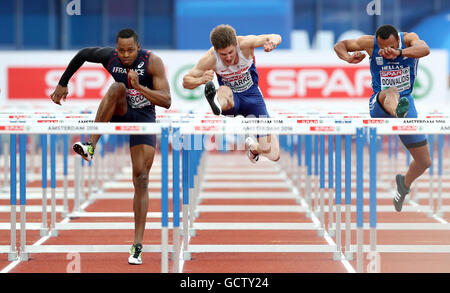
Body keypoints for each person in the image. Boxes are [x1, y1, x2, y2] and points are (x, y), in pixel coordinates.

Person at [50, 28, 172, 264]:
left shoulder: (152, 61)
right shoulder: (111, 58)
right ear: (116, 49)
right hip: (121, 110)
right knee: (117, 87)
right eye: (121, 50)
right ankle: (90, 147)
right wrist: (63, 83)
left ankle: (137, 245)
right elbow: (83, 54)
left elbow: (166, 100)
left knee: (142, 178)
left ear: (138, 47)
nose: (125, 55)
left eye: (130, 50)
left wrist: (139, 88)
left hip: (144, 116)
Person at [334, 24, 432, 212]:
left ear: (397, 40)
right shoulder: (370, 43)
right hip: (380, 101)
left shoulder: (410, 39)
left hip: (406, 101)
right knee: (392, 92)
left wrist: (400, 52)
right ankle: (398, 112)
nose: (385, 50)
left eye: (390, 46)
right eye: (381, 46)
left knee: (424, 162)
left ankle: (404, 183)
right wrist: (348, 58)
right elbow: (340, 45)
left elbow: (425, 49)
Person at [182, 24, 281, 163]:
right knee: (224, 91)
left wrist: (273, 43)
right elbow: (186, 81)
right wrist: (200, 80)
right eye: (223, 54)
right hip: (231, 99)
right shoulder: (210, 58)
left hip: (253, 98)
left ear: (236, 44)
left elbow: (275, 36)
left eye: (231, 52)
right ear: (216, 50)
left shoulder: (245, 44)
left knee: (273, 154)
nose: (228, 57)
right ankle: (216, 103)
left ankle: (253, 148)